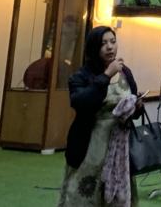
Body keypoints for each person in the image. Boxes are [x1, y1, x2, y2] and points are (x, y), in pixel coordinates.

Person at [58, 26, 143, 207]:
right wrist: (106, 75)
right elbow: (81, 103)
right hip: (91, 143)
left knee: (116, 197)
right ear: (93, 48)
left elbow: (133, 103)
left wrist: (136, 107)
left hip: (120, 147)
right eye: (103, 43)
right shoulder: (81, 75)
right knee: (85, 193)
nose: (110, 47)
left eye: (113, 41)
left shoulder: (125, 72)